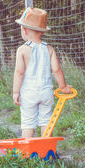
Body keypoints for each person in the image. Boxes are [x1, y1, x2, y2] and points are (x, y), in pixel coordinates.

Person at [13, 7, 72, 138]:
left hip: (29, 93)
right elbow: (56, 70)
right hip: (46, 92)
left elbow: (19, 72)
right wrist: (63, 87)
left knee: (28, 123)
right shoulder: (49, 49)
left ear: (25, 30)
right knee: (46, 121)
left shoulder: (22, 50)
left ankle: (27, 154)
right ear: (42, 32)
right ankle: (47, 152)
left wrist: (16, 92)